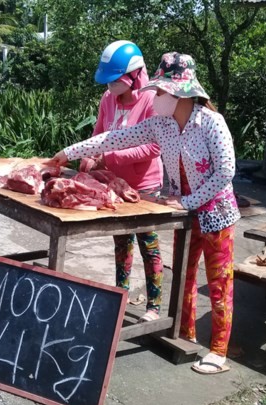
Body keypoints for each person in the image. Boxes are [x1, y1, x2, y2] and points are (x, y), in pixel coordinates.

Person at [48, 52, 240, 375]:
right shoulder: (161, 125)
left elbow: (226, 172)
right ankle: (185, 334)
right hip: (185, 214)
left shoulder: (211, 123)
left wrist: (190, 201)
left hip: (216, 214)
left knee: (220, 282)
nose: (156, 97)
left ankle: (219, 350)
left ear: (180, 92)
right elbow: (113, 138)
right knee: (184, 278)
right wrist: (69, 152)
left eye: (161, 92)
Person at [86, 40, 165, 323]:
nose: (110, 87)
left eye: (115, 81)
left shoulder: (152, 101)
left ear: (134, 75)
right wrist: (90, 156)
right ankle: (120, 295)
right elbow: (99, 134)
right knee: (121, 242)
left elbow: (155, 147)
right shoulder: (107, 100)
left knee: (148, 242)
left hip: (145, 187)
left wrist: (113, 156)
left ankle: (154, 305)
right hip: (115, 184)